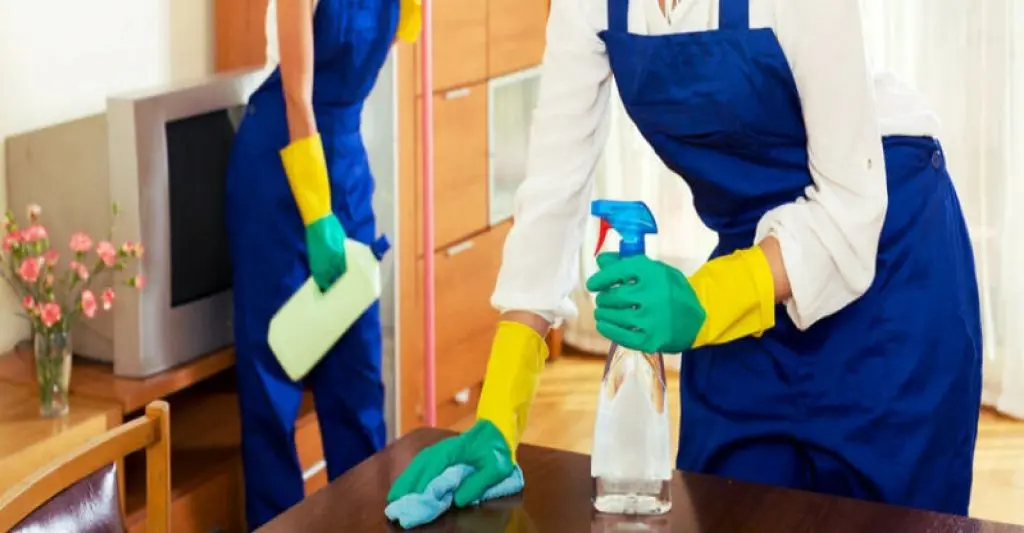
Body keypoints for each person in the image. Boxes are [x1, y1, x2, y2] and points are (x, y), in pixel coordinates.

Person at [388, 0, 982, 517]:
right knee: (724, 502)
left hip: (888, 265)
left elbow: (852, 205)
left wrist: (702, 301)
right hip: (750, 268)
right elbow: (552, 191)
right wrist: (498, 415)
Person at [225, 0, 418, 528]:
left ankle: (364, 522)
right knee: (273, 376)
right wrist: (315, 213)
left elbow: (402, 35)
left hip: (346, 166)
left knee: (357, 375)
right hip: (280, 171)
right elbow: (296, 93)